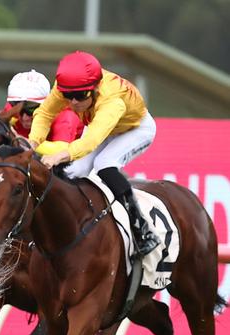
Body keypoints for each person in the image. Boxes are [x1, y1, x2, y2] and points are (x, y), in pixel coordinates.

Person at [28, 51, 160, 256]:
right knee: (73, 173)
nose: (72, 102)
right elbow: (45, 113)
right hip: (99, 124)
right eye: (67, 96)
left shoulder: (112, 100)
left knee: (104, 164)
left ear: (95, 88)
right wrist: (32, 142)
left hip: (135, 128)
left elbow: (91, 142)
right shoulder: (65, 86)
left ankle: (142, 229)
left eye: (80, 96)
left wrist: (59, 156)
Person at [4, 69, 84, 155]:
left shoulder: (65, 115)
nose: (24, 118)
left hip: (83, 149)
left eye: (31, 109)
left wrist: (21, 140)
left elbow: (61, 150)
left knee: (79, 168)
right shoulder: (12, 108)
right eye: (17, 108)